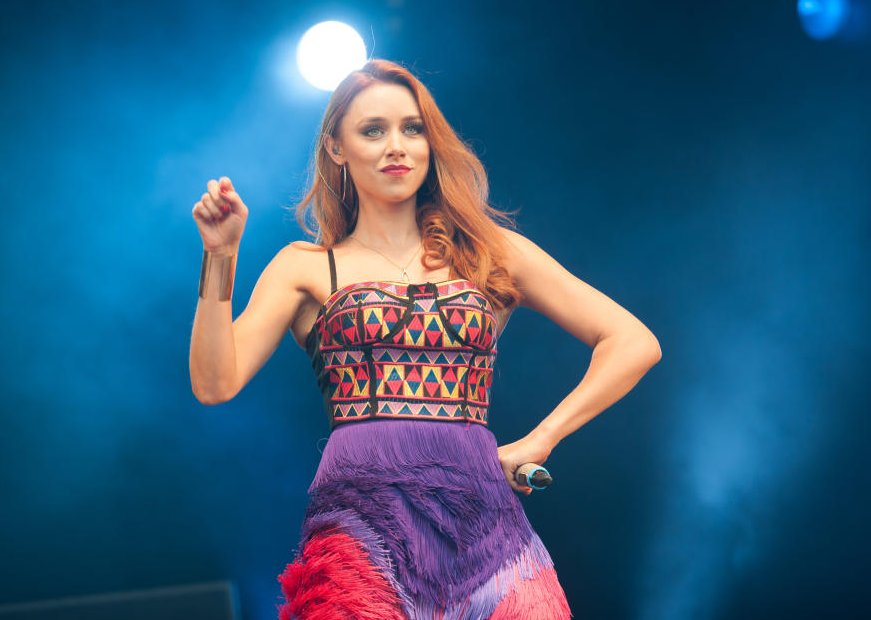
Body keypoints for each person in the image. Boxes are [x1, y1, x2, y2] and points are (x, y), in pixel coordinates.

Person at [189, 59, 661, 620]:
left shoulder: (490, 252)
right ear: (337, 148)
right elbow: (215, 383)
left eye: (412, 129)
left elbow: (632, 341)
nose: (397, 146)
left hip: (486, 522)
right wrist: (220, 256)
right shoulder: (306, 267)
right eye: (373, 130)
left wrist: (541, 439)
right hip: (362, 532)